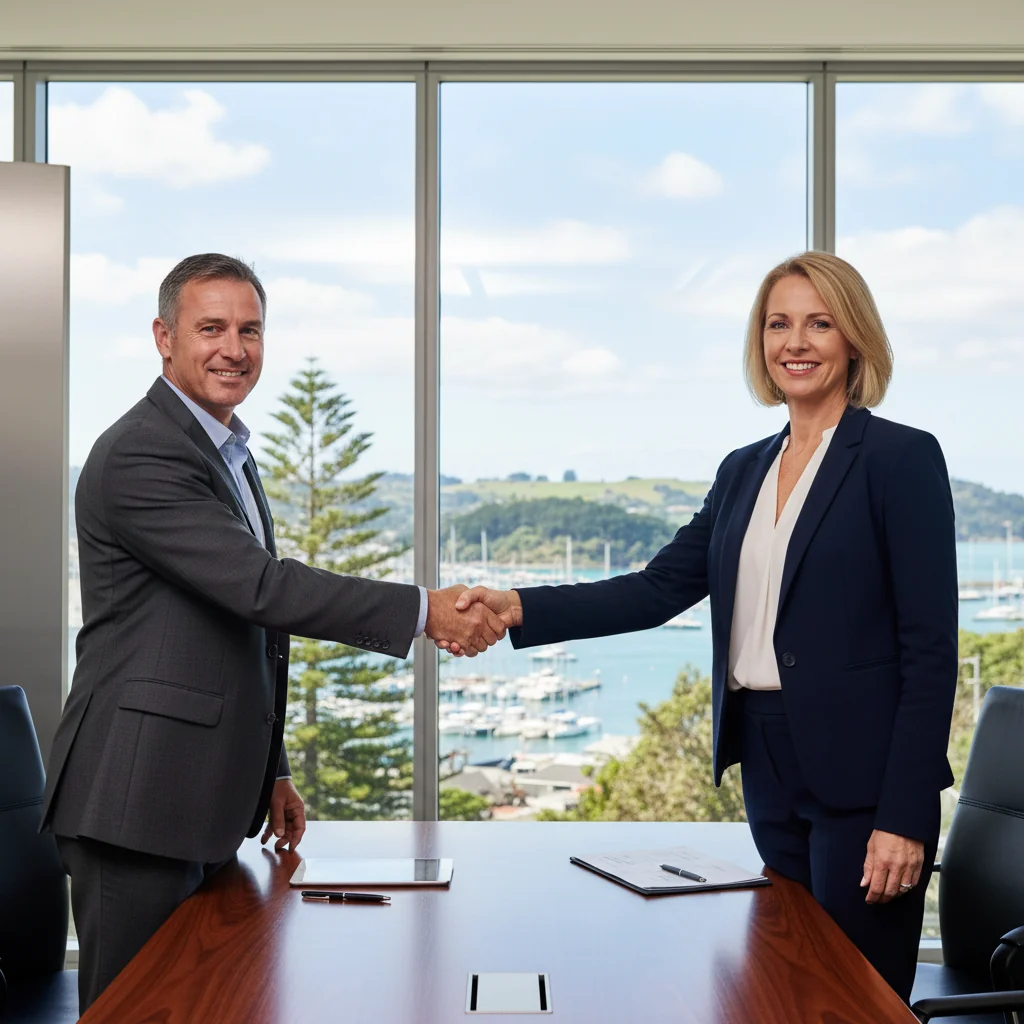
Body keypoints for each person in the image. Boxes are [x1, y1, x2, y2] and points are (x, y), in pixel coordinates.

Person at [442, 251, 957, 1002]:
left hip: (865, 783)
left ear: (854, 338)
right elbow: (656, 589)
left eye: (819, 323)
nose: (797, 342)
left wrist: (906, 818)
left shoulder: (900, 458)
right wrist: (519, 604)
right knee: (781, 987)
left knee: (854, 1000)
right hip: (768, 766)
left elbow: (930, 651)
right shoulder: (742, 468)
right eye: (778, 323)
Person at [42, 253, 506, 1013]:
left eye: (250, 329)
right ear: (164, 337)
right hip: (135, 803)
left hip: (192, 799)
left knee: (202, 1004)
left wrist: (272, 769)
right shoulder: (142, 452)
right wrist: (426, 611)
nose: (235, 348)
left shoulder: (224, 450)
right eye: (212, 328)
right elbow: (262, 589)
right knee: (136, 1009)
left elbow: (232, 629)